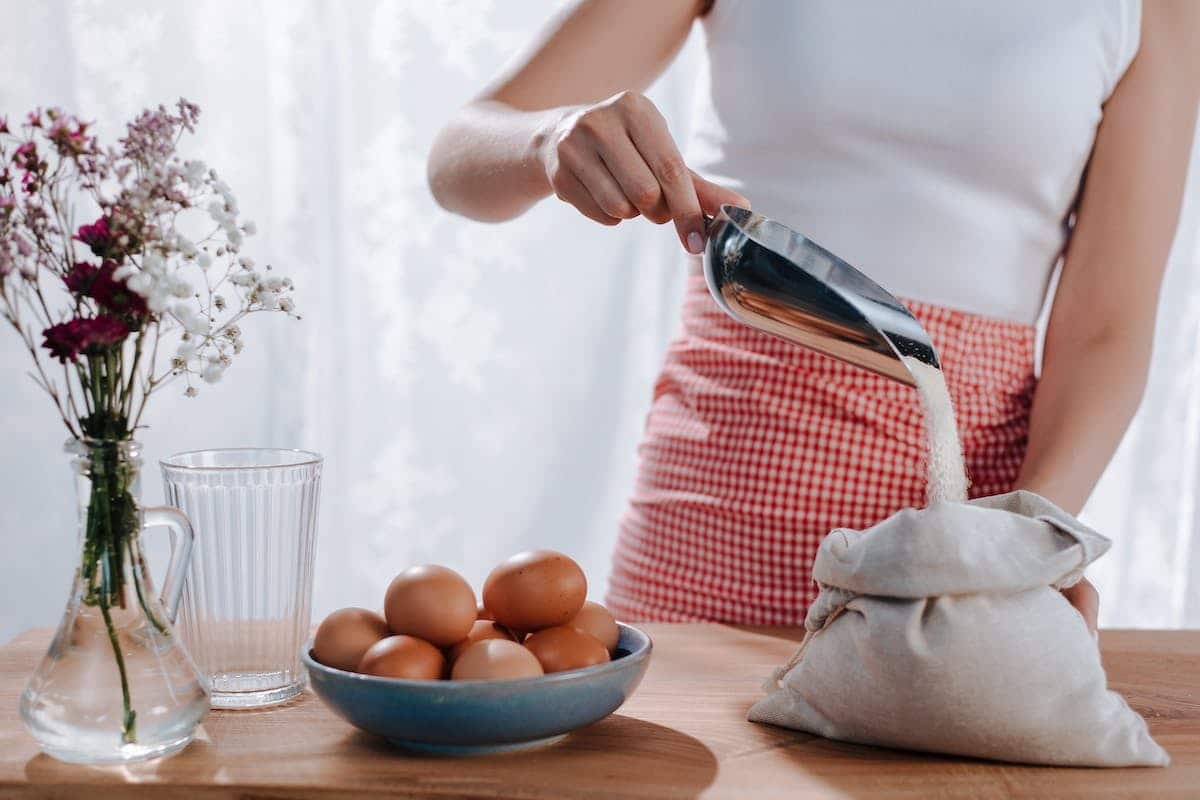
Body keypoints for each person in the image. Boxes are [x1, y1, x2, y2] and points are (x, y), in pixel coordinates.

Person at [428, 0, 1200, 631]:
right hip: (709, 516)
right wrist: (549, 138)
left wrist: (1024, 543)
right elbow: (457, 159)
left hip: (954, 552)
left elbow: (1105, 330)